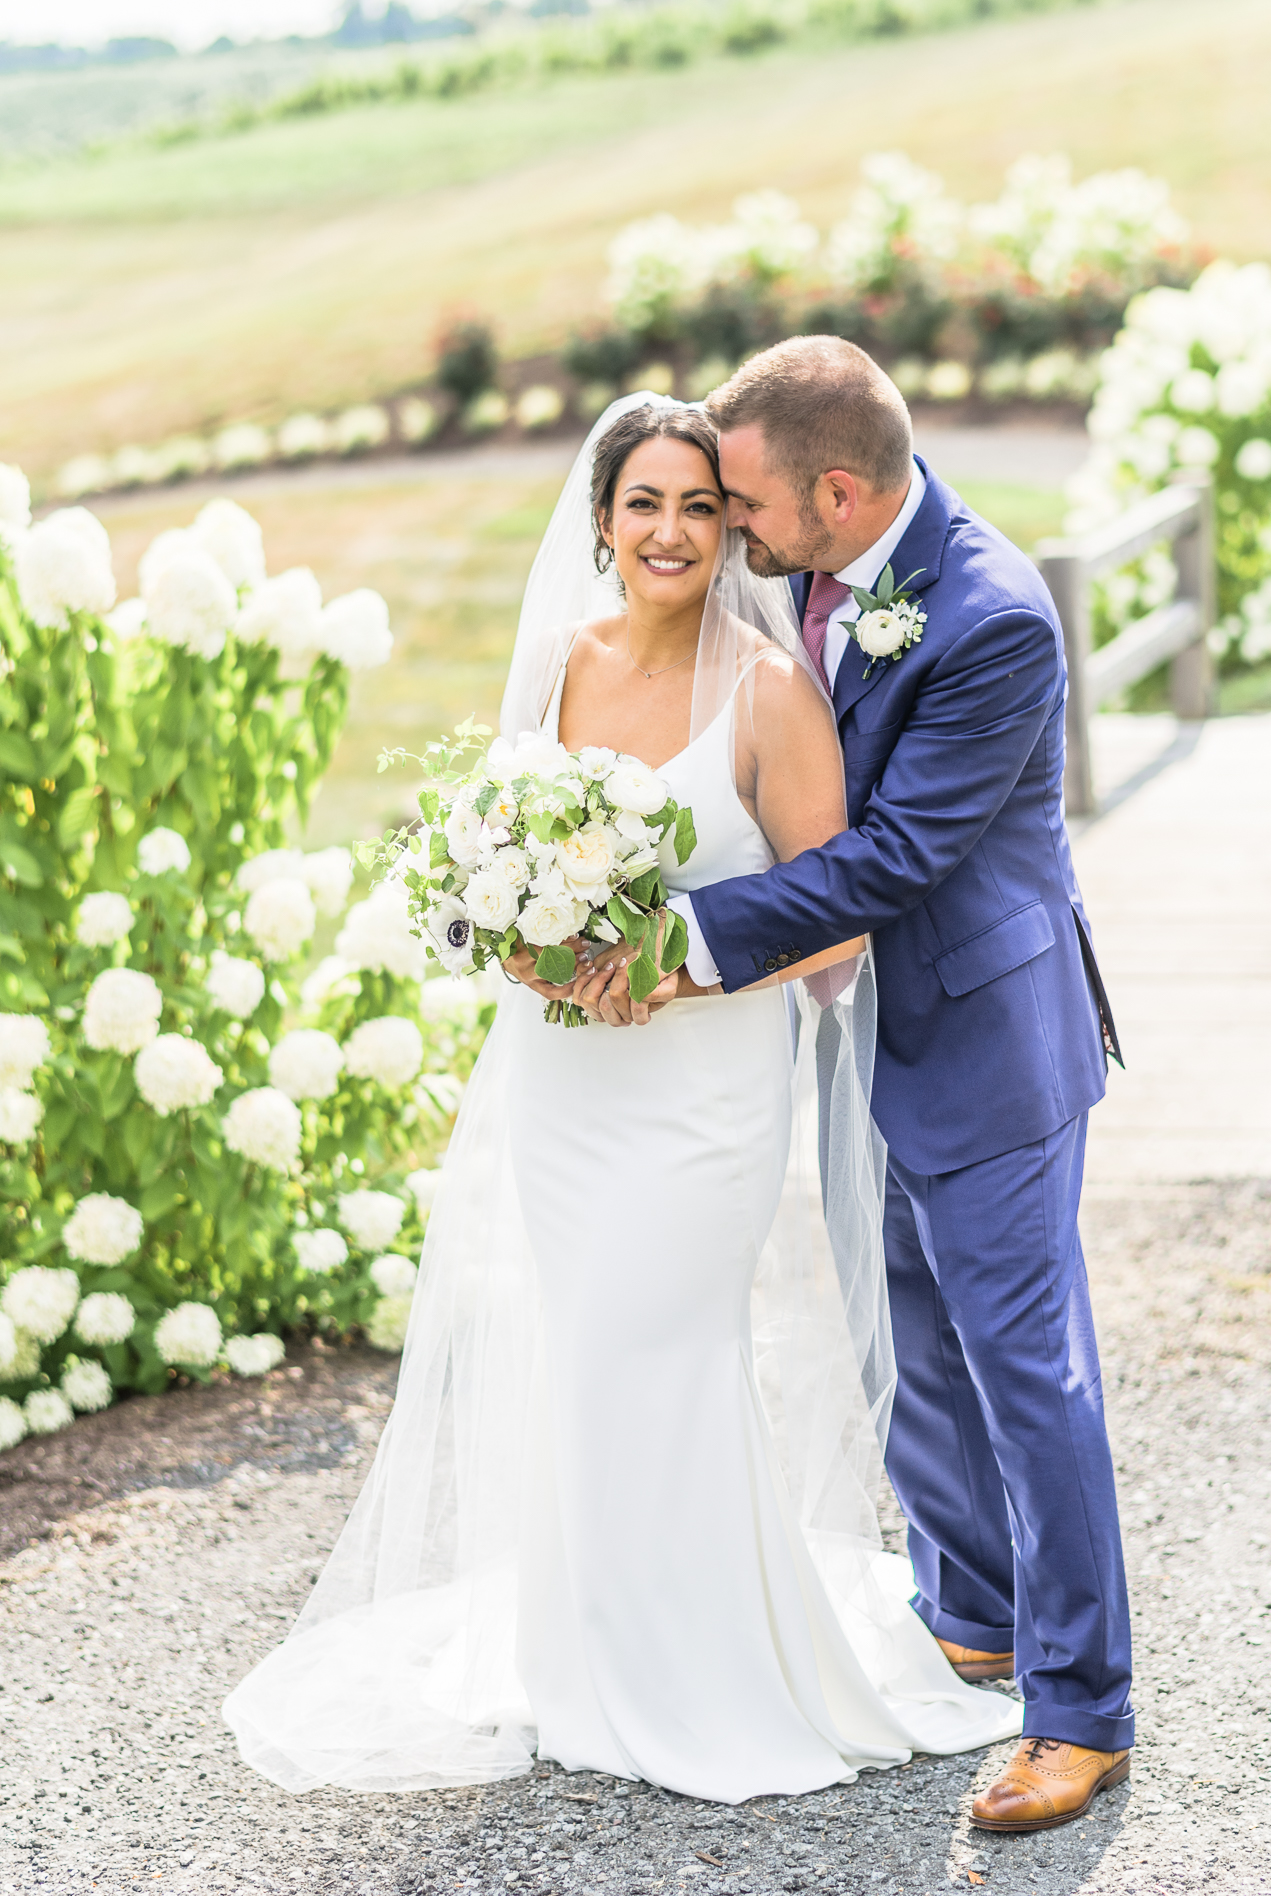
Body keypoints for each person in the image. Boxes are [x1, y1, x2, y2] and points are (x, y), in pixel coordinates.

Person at [222, 395, 1021, 1804]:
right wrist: (525, 928)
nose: (670, 532)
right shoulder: (550, 665)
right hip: (564, 1085)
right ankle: (585, 1648)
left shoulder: (768, 693)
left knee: (664, 1342)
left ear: (733, 529)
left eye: (701, 507)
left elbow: (835, 934)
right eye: (643, 503)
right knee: (584, 1345)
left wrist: (669, 964)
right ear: (600, 520)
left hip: (702, 1094)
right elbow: (473, 874)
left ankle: (700, 1665)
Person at [576, 339, 1134, 1835]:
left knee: (1028, 1371)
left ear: (835, 490)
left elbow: (890, 861)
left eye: (745, 503)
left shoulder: (992, 620)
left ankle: (1081, 1711)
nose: (727, 530)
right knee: (908, 1338)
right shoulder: (803, 568)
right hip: (849, 1035)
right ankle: (973, 1618)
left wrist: (674, 940)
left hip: (984, 1036)